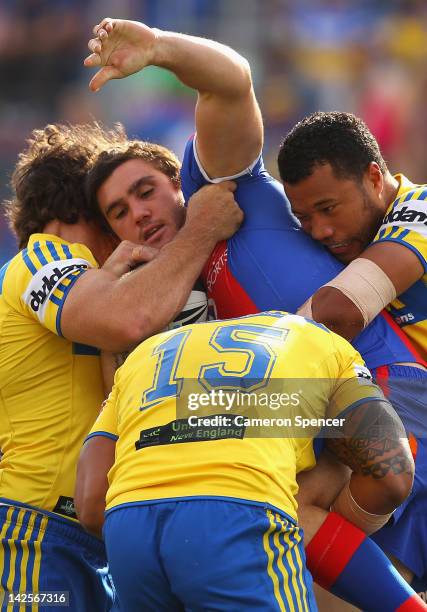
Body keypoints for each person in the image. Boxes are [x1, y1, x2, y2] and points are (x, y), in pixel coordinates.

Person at [83, 18, 427, 611]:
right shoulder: (161, 309)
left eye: (146, 191)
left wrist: (163, 50)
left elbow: (231, 84)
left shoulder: (235, 195)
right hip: (327, 423)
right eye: (118, 212)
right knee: (267, 523)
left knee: (269, 510)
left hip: (390, 394)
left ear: (179, 179)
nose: (138, 214)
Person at [0, 120, 241, 608]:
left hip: (82, 533)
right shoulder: (41, 258)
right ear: (80, 209)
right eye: (112, 214)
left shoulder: (76, 280)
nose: (127, 228)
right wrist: (200, 229)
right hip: (38, 530)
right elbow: (127, 317)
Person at [75, 310, 414, 611]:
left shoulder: (143, 356)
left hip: (129, 529)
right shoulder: (327, 344)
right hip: (239, 518)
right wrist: (328, 523)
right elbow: (393, 473)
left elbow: (91, 504)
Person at [278, 111, 427, 597]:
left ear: (372, 175)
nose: (318, 230)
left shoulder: (420, 209)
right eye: (303, 218)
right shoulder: (351, 236)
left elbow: (341, 310)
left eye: (328, 208)